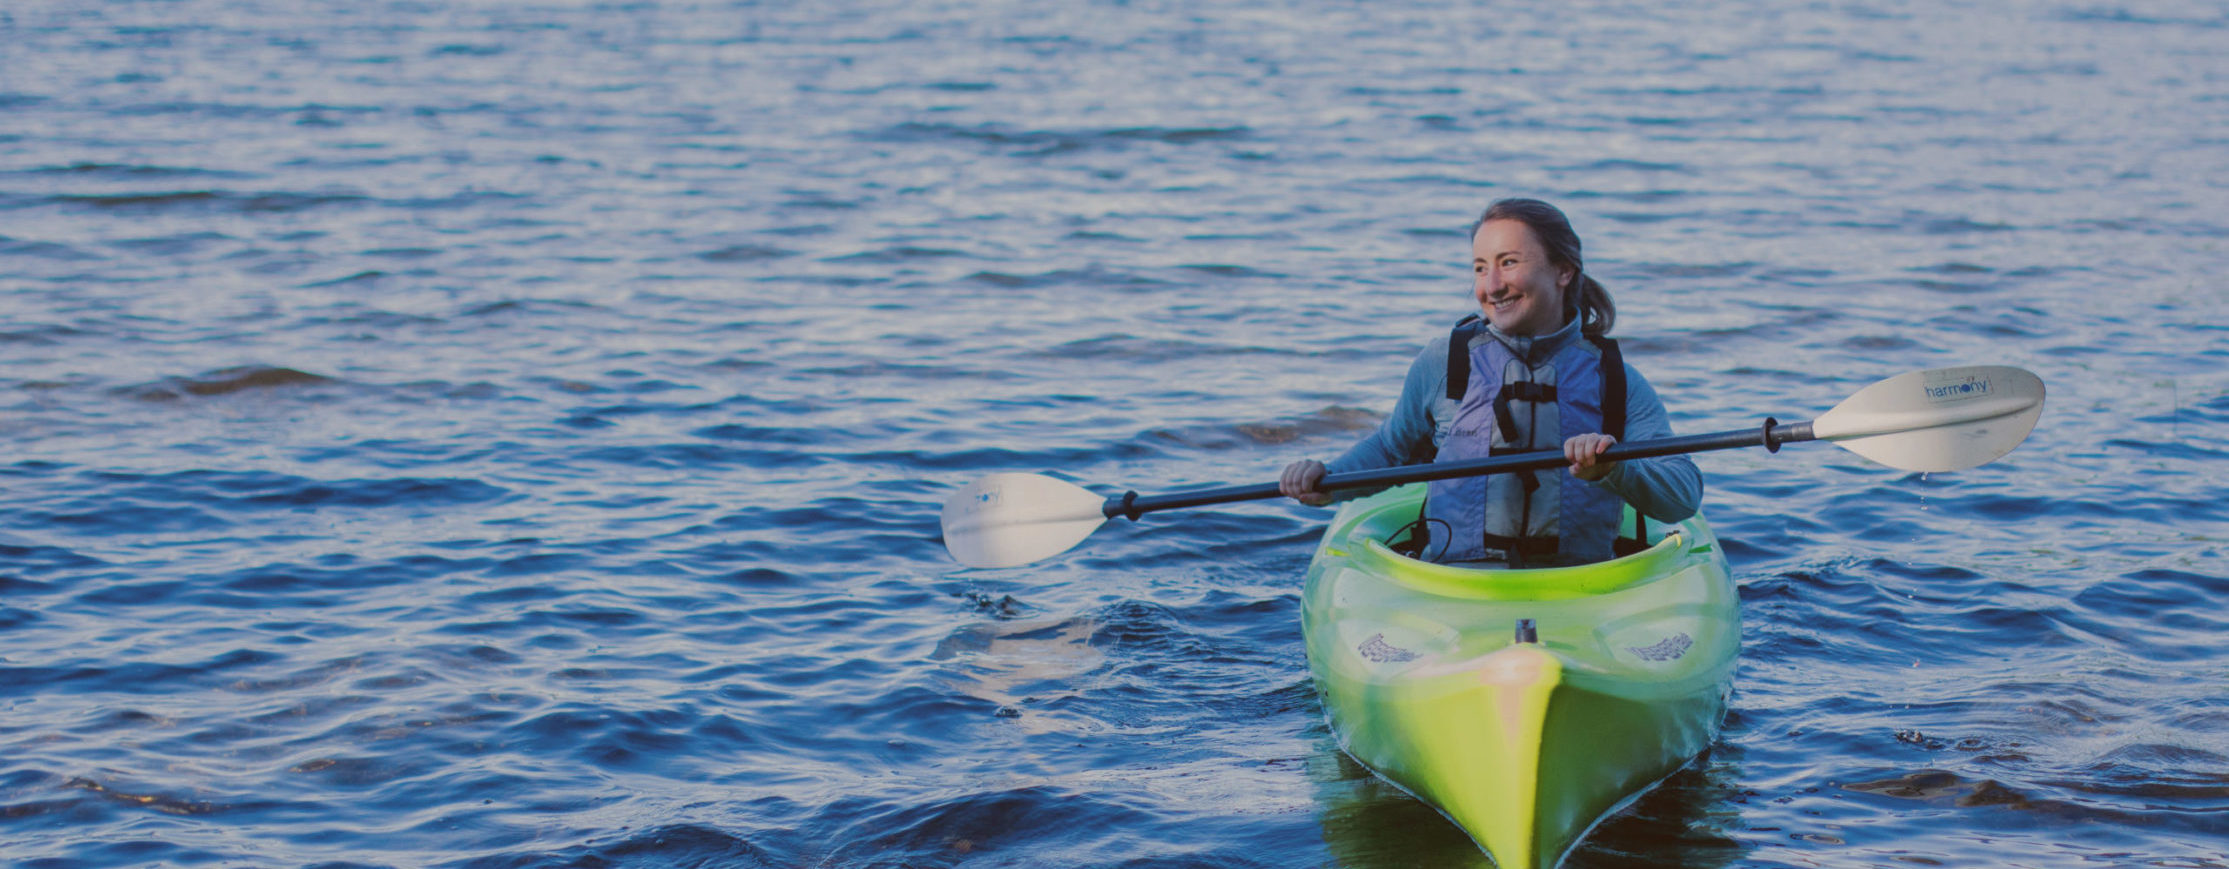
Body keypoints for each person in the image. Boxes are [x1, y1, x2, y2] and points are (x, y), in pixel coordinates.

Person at [1278, 198, 1701, 565]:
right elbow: (1392, 450)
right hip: (1456, 583)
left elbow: (1682, 494)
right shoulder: (1445, 361)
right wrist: (1328, 481)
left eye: (1508, 262)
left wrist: (1616, 469)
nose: (1492, 286)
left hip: (1579, 583)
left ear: (1563, 271)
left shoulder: (1614, 378)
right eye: (1480, 268)